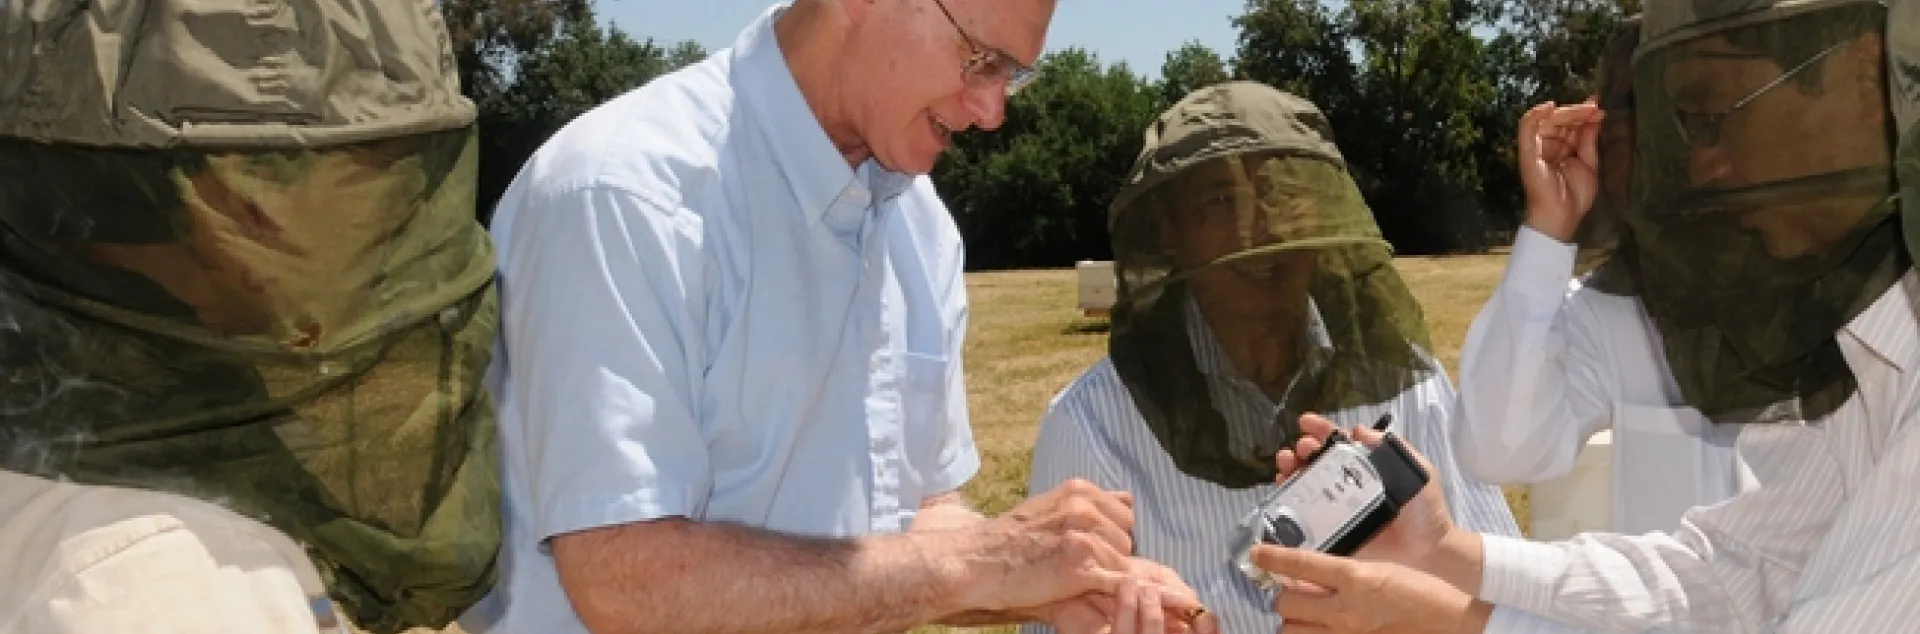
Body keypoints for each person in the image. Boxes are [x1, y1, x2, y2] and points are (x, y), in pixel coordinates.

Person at [460, 2, 1216, 633]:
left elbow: (914, 521)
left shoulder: (919, 228)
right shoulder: (623, 194)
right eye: (981, 59)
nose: (992, 112)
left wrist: (1053, 583)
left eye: (1013, 74)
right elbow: (624, 578)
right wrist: (983, 564)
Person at [1250, 0, 1920, 631]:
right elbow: (1732, 575)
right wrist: (1448, 553)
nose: (1699, 168)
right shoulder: (1868, 339)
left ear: (1863, 71)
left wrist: (1454, 620)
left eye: (1711, 115)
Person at [0, 2, 503, 632]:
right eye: (364, 173)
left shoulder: (76, 453)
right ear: (238, 208)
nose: (385, 221)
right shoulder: (161, 581)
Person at [1018, 81, 1530, 634]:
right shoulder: (1090, 426)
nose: (1256, 229)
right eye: (1218, 201)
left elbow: (1499, 585)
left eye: (1279, 194)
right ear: (1170, 231)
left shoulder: (1408, 382)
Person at [1452, 16, 1760, 536]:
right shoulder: (1610, 315)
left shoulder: (1864, 299)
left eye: (1708, 125)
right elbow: (1498, 449)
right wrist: (1550, 228)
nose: (1697, 164)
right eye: (1661, 135)